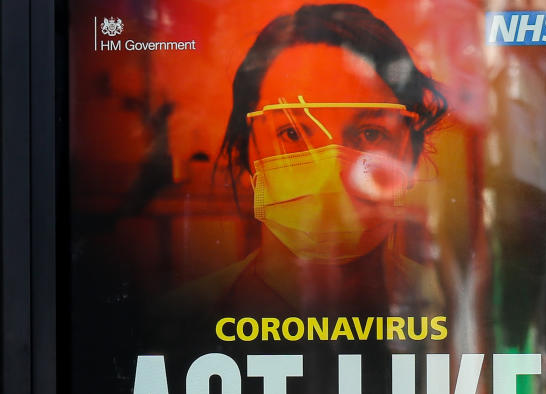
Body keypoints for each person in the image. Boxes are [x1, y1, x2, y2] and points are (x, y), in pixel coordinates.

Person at [174, 3, 448, 316]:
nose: (330, 174)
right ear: (245, 153)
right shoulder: (180, 323)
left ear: (409, 156)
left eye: (370, 134)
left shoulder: (455, 315)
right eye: (291, 134)